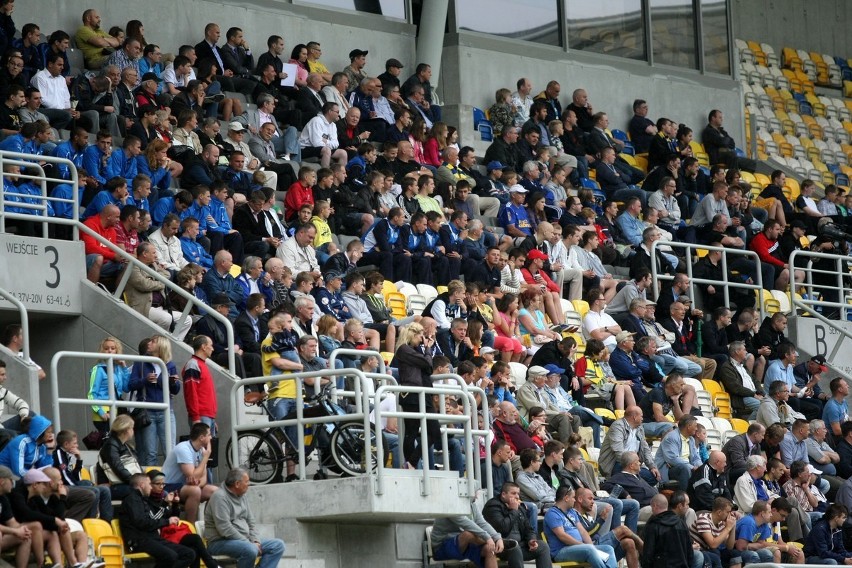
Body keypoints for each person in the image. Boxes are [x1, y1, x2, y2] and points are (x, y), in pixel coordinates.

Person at [203, 468, 286, 568]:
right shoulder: (220, 497)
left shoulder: (242, 495)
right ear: (237, 484)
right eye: (246, 481)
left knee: (277, 545)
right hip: (219, 542)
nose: (249, 484)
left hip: (244, 540)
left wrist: (255, 540)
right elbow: (225, 529)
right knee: (250, 550)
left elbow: (251, 521)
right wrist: (248, 543)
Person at [117, 473, 195, 568]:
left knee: (189, 554)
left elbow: (152, 518)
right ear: (141, 485)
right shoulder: (132, 500)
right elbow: (141, 522)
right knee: (170, 556)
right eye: (149, 484)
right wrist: (167, 521)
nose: (150, 487)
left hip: (152, 538)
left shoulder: (142, 500)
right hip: (139, 541)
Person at [543, 485, 617, 568]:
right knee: (589, 550)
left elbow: (583, 532)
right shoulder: (552, 513)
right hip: (561, 551)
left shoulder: (571, 512)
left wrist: (591, 546)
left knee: (608, 549)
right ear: (566, 498)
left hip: (580, 548)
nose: (575, 500)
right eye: (573, 497)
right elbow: (562, 536)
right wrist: (582, 545)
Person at [482, 481, 552, 568]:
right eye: (513, 493)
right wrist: (513, 511)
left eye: (518, 494)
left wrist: (531, 540)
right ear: (503, 494)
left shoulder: (519, 507)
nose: (517, 497)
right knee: (514, 546)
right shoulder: (493, 506)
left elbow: (529, 529)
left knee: (543, 546)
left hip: (520, 545)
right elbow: (502, 528)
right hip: (501, 546)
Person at [160, 422, 218, 523]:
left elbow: (203, 479)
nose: (211, 437)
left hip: (186, 486)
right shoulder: (183, 448)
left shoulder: (201, 450)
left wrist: (197, 482)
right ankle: (190, 527)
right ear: (201, 437)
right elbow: (192, 475)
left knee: (215, 492)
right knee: (195, 491)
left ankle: (209, 526)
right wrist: (206, 457)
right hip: (168, 486)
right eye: (209, 435)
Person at [642, 491, 703, 568]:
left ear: (654, 506)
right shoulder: (681, 523)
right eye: (687, 504)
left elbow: (648, 555)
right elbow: (689, 553)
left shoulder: (653, 525)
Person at [598, 406, 659, 482]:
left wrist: (652, 466)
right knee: (634, 480)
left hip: (633, 464)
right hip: (617, 463)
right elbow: (618, 451)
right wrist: (632, 465)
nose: (642, 419)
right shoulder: (617, 426)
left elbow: (645, 449)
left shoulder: (640, 428)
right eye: (641, 416)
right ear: (634, 417)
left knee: (653, 478)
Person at [87, 336, 132, 433]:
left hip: (116, 409)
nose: (110, 351)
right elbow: (91, 394)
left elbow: (126, 388)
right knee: (109, 441)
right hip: (103, 412)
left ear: (117, 350)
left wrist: (124, 367)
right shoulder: (98, 369)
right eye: (106, 348)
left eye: (113, 348)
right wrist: (100, 412)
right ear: (102, 351)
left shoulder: (119, 368)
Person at [96, 414, 141, 500]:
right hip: (113, 485)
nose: (133, 431)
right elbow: (118, 468)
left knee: (155, 490)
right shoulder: (111, 445)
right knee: (138, 490)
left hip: (124, 483)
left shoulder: (127, 445)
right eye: (132, 428)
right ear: (126, 430)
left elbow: (136, 465)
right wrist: (136, 482)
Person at [689, 497, 741, 568]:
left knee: (735, 553)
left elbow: (730, 546)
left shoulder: (721, 523)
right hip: (697, 551)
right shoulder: (703, 519)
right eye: (728, 512)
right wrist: (728, 528)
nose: (730, 515)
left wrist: (732, 527)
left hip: (709, 551)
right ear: (719, 512)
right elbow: (713, 544)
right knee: (715, 553)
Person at [655, 415, 702, 490]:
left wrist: (701, 467)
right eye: (695, 426)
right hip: (669, 469)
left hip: (687, 467)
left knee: (704, 470)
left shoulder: (691, 440)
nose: (696, 429)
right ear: (688, 426)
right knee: (684, 468)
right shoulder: (672, 437)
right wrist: (692, 467)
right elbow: (672, 459)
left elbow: (696, 458)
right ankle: (682, 496)